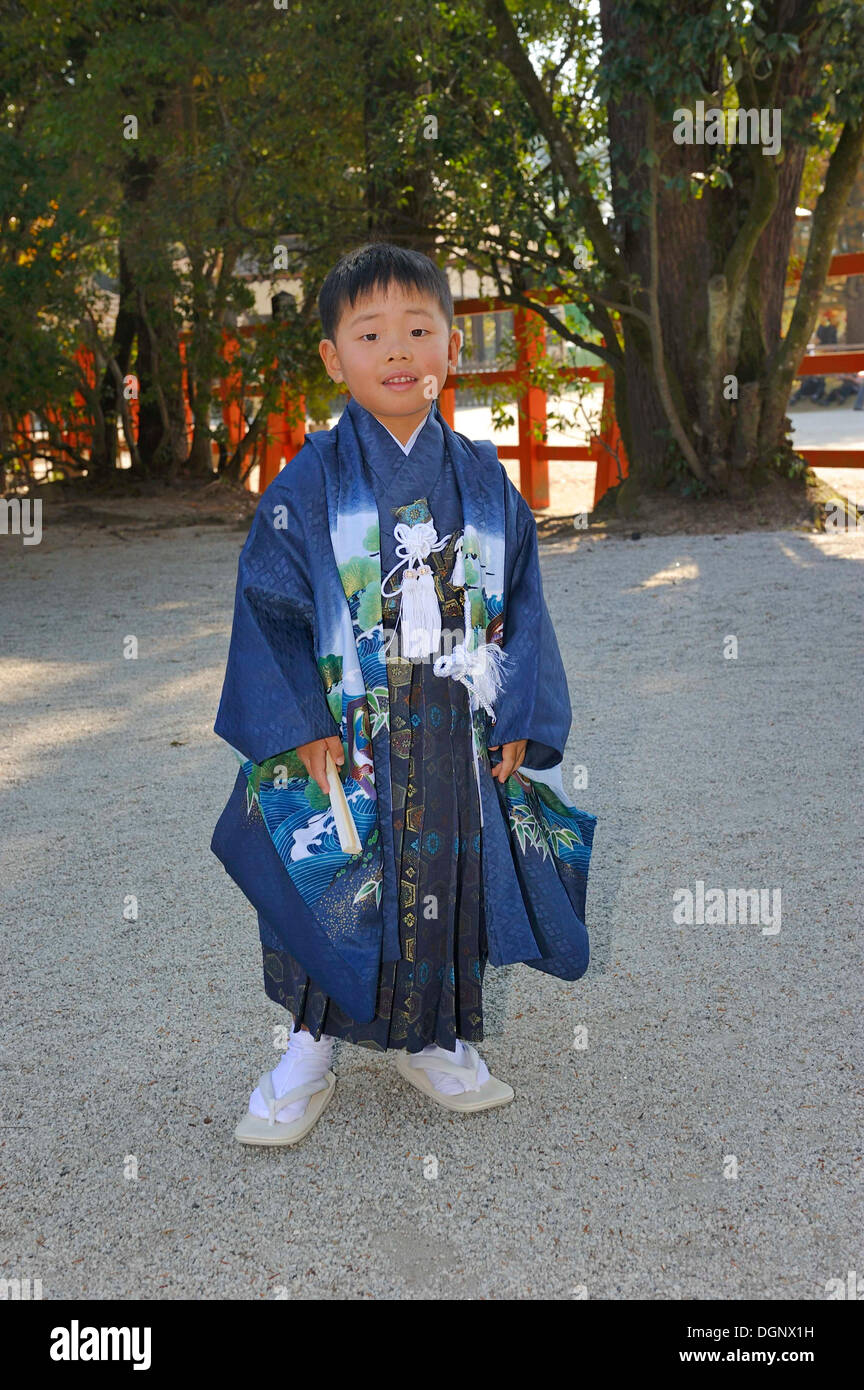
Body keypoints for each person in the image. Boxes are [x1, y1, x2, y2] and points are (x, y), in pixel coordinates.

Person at [211, 243, 597, 1147]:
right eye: (371, 332)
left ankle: (435, 1037)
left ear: (451, 351)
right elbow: (269, 603)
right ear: (333, 358)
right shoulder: (309, 483)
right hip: (352, 728)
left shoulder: (482, 477)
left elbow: (527, 601)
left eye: (420, 330)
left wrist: (520, 716)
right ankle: (306, 1048)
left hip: (454, 727)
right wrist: (299, 722)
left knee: (446, 883)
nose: (398, 350)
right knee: (334, 880)